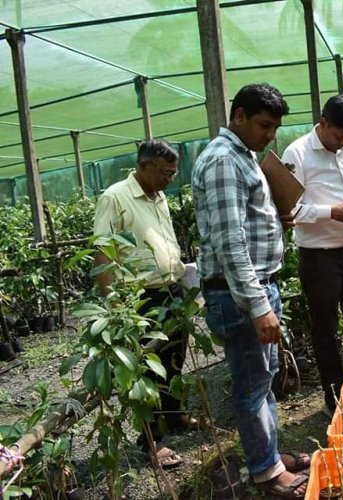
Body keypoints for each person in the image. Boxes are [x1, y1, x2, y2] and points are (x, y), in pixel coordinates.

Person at [192, 83, 308, 499]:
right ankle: (264, 470)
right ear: (238, 115)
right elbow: (230, 244)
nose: (270, 135)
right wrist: (259, 307)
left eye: (275, 127)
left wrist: (275, 219)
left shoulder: (244, 157)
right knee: (252, 384)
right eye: (263, 125)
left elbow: (244, 224)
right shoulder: (224, 161)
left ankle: (270, 455)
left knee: (264, 377)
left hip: (255, 290)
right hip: (242, 296)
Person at [93, 139, 189, 468]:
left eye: (174, 173)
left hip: (172, 289)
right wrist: (114, 303)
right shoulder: (115, 197)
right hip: (140, 297)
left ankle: (174, 417)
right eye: (165, 172)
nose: (170, 179)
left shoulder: (160, 197)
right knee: (145, 369)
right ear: (144, 166)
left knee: (174, 357)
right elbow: (102, 251)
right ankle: (151, 440)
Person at [282, 94, 343, 414]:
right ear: (322, 123)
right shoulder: (296, 153)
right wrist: (329, 212)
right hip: (320, 256)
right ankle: (335, 393)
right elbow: (289, 207)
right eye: (339, 137)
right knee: (325, 327)